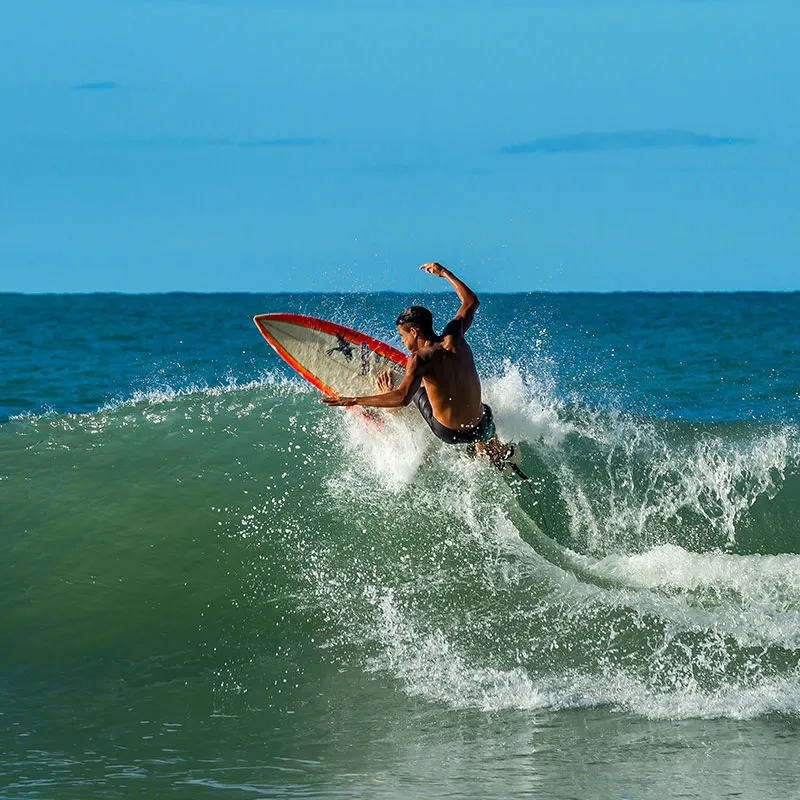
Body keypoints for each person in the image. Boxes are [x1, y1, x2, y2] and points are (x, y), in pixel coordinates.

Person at [322, 262, 512, 465]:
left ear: (414, 332)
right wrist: (444, 273)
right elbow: (470, 302)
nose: (402, 342)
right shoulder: (455, 334)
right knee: (485, 410)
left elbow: (403, 397)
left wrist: (354, 400)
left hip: (448, 432)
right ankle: (492, 448)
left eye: (402, 336)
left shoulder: (419, 358)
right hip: (480, 427)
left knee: (418, 389)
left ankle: (390, 411)